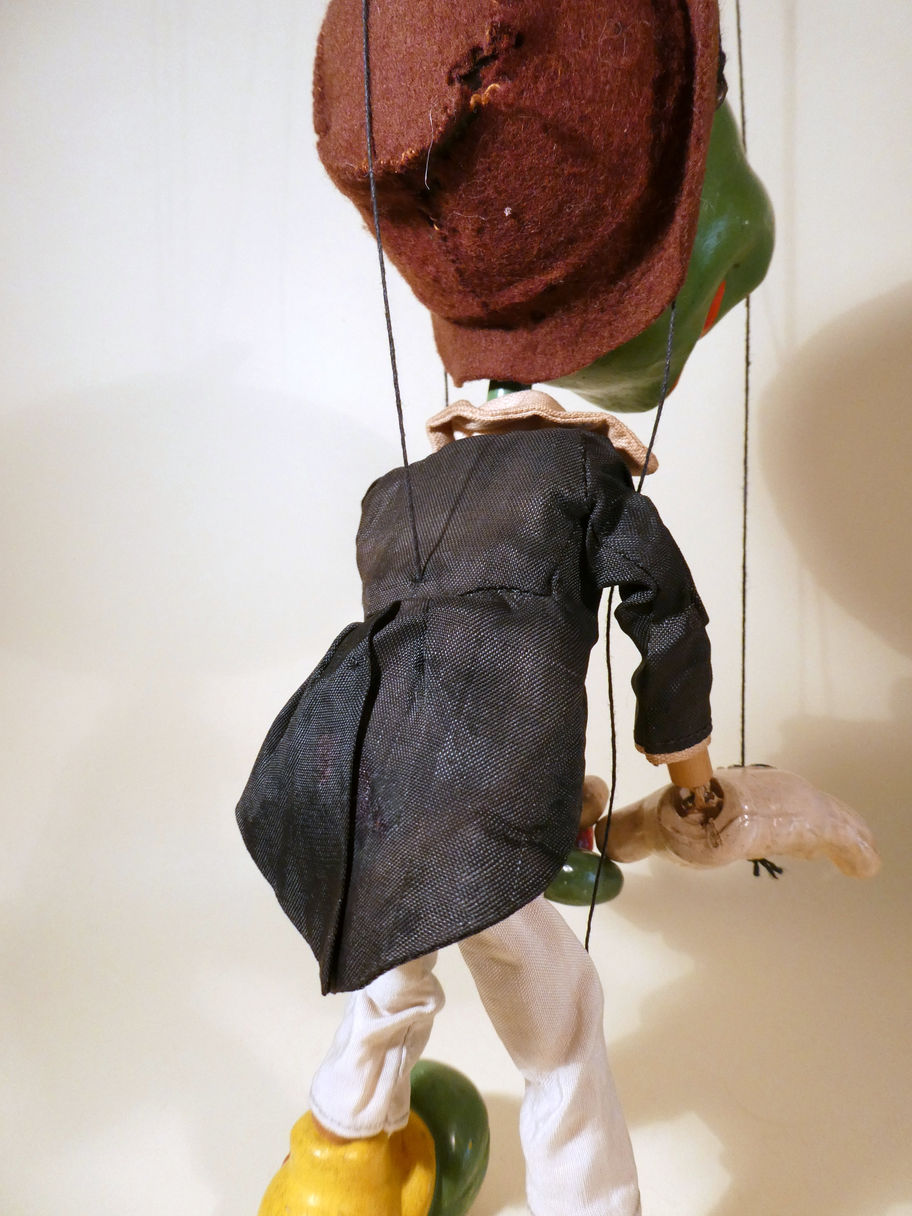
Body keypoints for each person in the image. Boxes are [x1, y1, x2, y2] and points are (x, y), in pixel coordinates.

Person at [238, 0, 774, 1211]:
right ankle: (590, 1200)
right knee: (562, 1014)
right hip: (478, 818)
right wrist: (691, 781)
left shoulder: (395, 495)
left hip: (354, 798)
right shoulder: (586, 478)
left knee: (393, 965)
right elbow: (667, 622)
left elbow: (442, 663)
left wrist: (560, 793)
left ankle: (336, 1160)